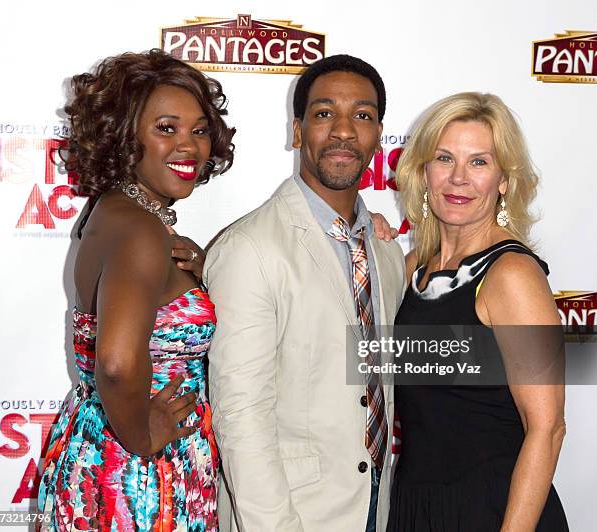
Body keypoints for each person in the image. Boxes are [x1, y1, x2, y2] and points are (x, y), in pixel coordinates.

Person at [203, 55, 406, 532]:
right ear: (297, 131)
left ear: (378, 134)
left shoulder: (384, 251)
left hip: (376, 505)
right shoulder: (250, 248)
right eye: (323, 113)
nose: (343, 131)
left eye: (362, 115)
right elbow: (241, 416)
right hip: (290, 514)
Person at [38, 49, 235, 531]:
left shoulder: (112, 213)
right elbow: (118, 362)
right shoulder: (142, 232)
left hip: (99, 446)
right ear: (125, 137)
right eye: (166, 128)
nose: (189, 146)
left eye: (200, 129)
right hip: (139, 476)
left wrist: (201, 276)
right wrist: (144, 438)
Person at [386, 92, 568, 531]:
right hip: (415, 503)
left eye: (479, 162)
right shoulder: (412, 267)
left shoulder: (512, 274)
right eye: (445, 158)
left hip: (493, 509)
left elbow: (547, 428)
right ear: (423, 171)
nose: (459, 179)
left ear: (504, 180)